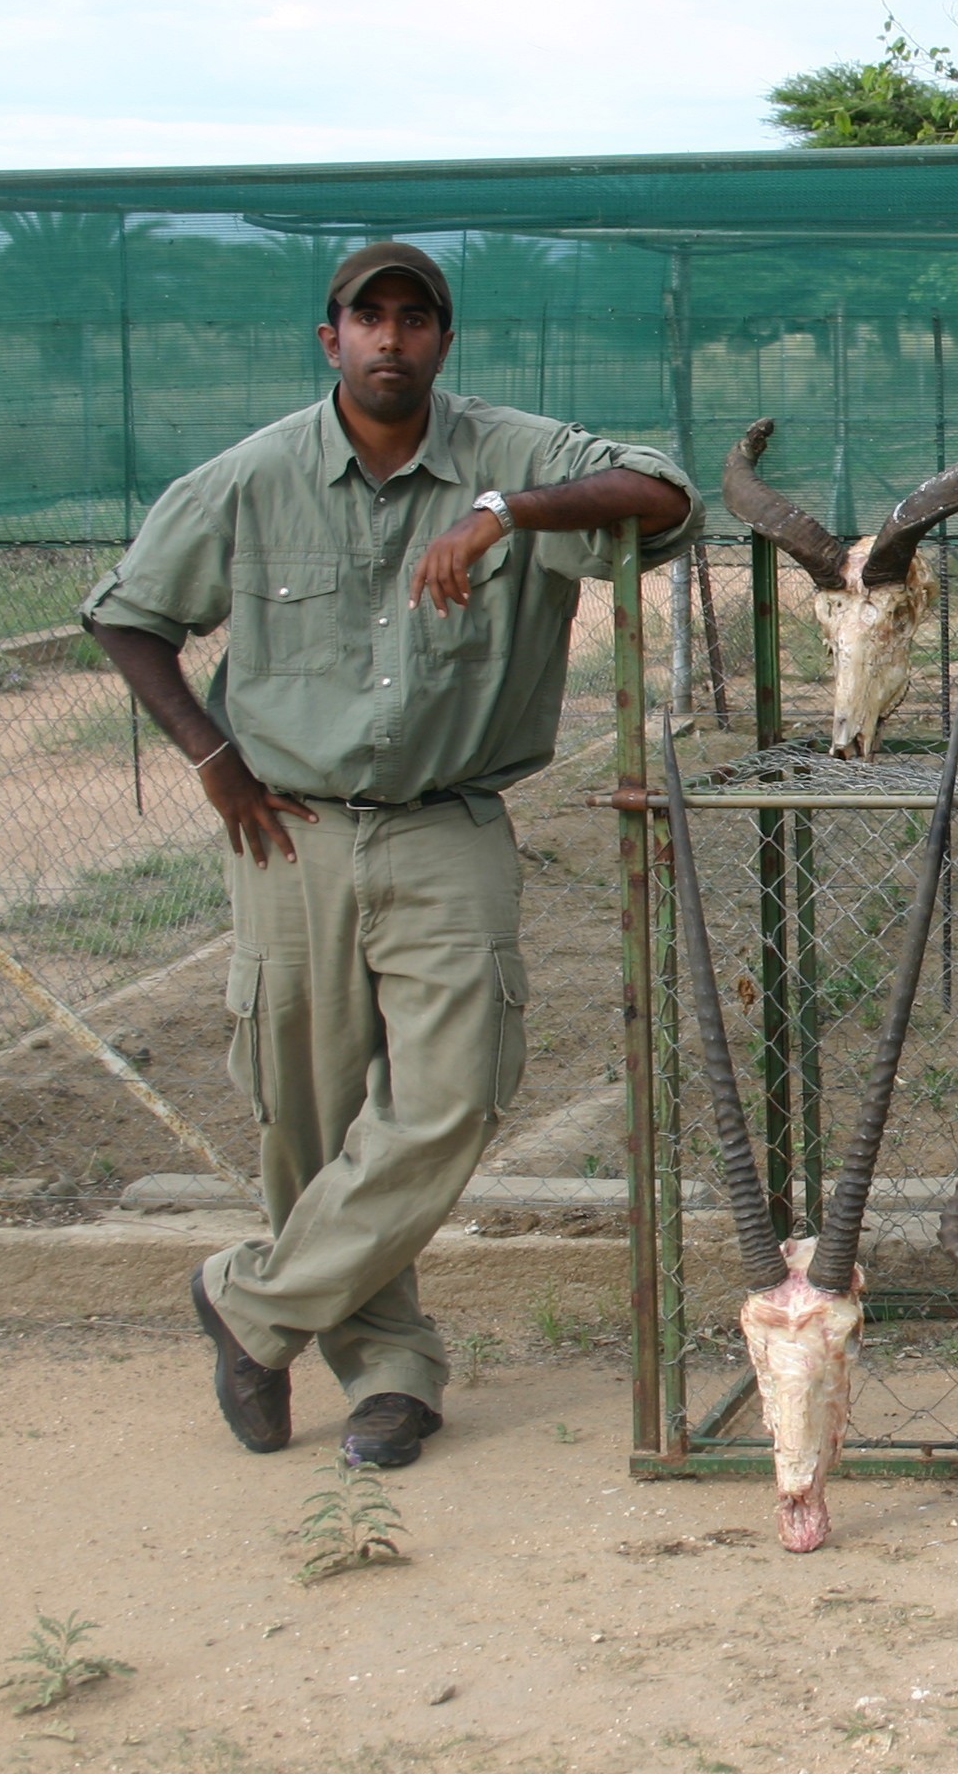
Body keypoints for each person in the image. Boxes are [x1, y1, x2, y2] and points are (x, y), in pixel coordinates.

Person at [85, 241, 700, 1468]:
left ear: (443, 342)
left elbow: (668, 496)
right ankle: (389, 1371)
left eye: (415, 320)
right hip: (289, 828)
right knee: (303, 1120)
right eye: (367, 319)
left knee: (452, 1093)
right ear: (330, 340)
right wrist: (212, 758)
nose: (390, 340)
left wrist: (505, 514)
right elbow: (128, 611)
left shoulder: (511, 454)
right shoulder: (253, 478)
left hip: (447, 821)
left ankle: (249, 1306)